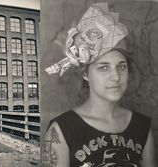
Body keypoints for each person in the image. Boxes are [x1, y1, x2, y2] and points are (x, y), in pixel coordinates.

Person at [41, 3, 156, 167]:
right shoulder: (61, 130)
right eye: (103, 67)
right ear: (86, 74)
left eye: (121, 66)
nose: (116, 77)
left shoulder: (142, 127)